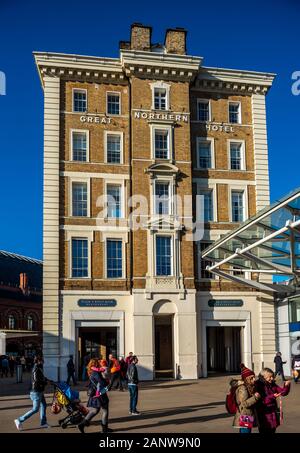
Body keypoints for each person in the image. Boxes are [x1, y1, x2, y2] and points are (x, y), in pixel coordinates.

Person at [14, 355, 49, 430]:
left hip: (39, 390)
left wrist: (48, 380)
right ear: (39, 360)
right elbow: (37, 380)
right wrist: (45, 382)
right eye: (42, 360)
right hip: (36, 391)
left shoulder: (38, 367)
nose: (43, 362)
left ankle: (43, 423)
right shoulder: (36, 368)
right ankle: (19, 420)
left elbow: (41, 377)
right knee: (35, 409)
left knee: (44, 405)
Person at [77, 358, 112, 433]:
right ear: (95, 363)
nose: (99, 363)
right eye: (98, 362)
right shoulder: (95, 372)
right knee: (105, 410)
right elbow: (102, 383)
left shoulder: (91, 371)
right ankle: (104, 429)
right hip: (100, 394)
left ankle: (82, 424)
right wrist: (107, 382)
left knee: (95, 410)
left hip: (96, 394)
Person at [256, 367, 291, 433]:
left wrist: (286, 386)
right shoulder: (258, 384)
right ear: (264, 376)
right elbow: (260, 400)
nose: (272, 378)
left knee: (272, 430)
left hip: (273, 413)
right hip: (264, 414)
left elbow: (282, 392)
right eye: (270, 377)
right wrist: (272, 396)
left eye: (272, 376)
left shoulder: (272, 384)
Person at [231, 364, 261, 434]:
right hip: (245, 415)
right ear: (247, 379)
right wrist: (255, 397)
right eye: (252, 378)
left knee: (246, 431)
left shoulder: (250, 386)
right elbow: (244, 404)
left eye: (254, 377)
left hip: (248, 414)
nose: (254, 379)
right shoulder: (243, 388)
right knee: (245, 432)